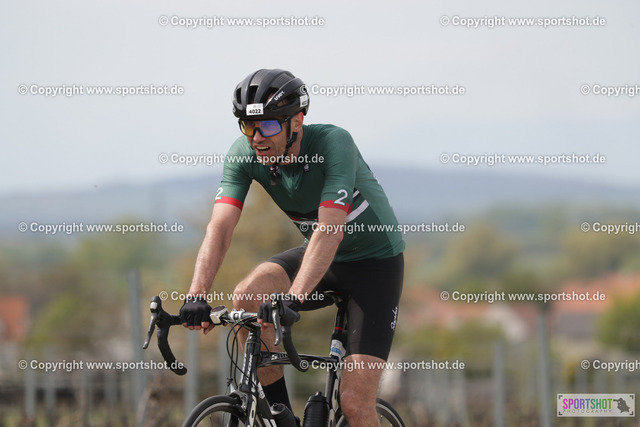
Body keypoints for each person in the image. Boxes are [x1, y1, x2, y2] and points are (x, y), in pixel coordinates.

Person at [180, 68, 405, 427]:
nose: (257, 138)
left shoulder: (333, 143)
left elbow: (329, 230)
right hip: (319, 257)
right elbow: (220, 227)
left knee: (354, 403)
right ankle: (282, 417)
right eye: (248, 126)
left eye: (268, 126)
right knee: (247, 297)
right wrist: (196, 295)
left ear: (296, 121)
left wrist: (293, 298)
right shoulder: (244, 154)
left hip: (373, 267)